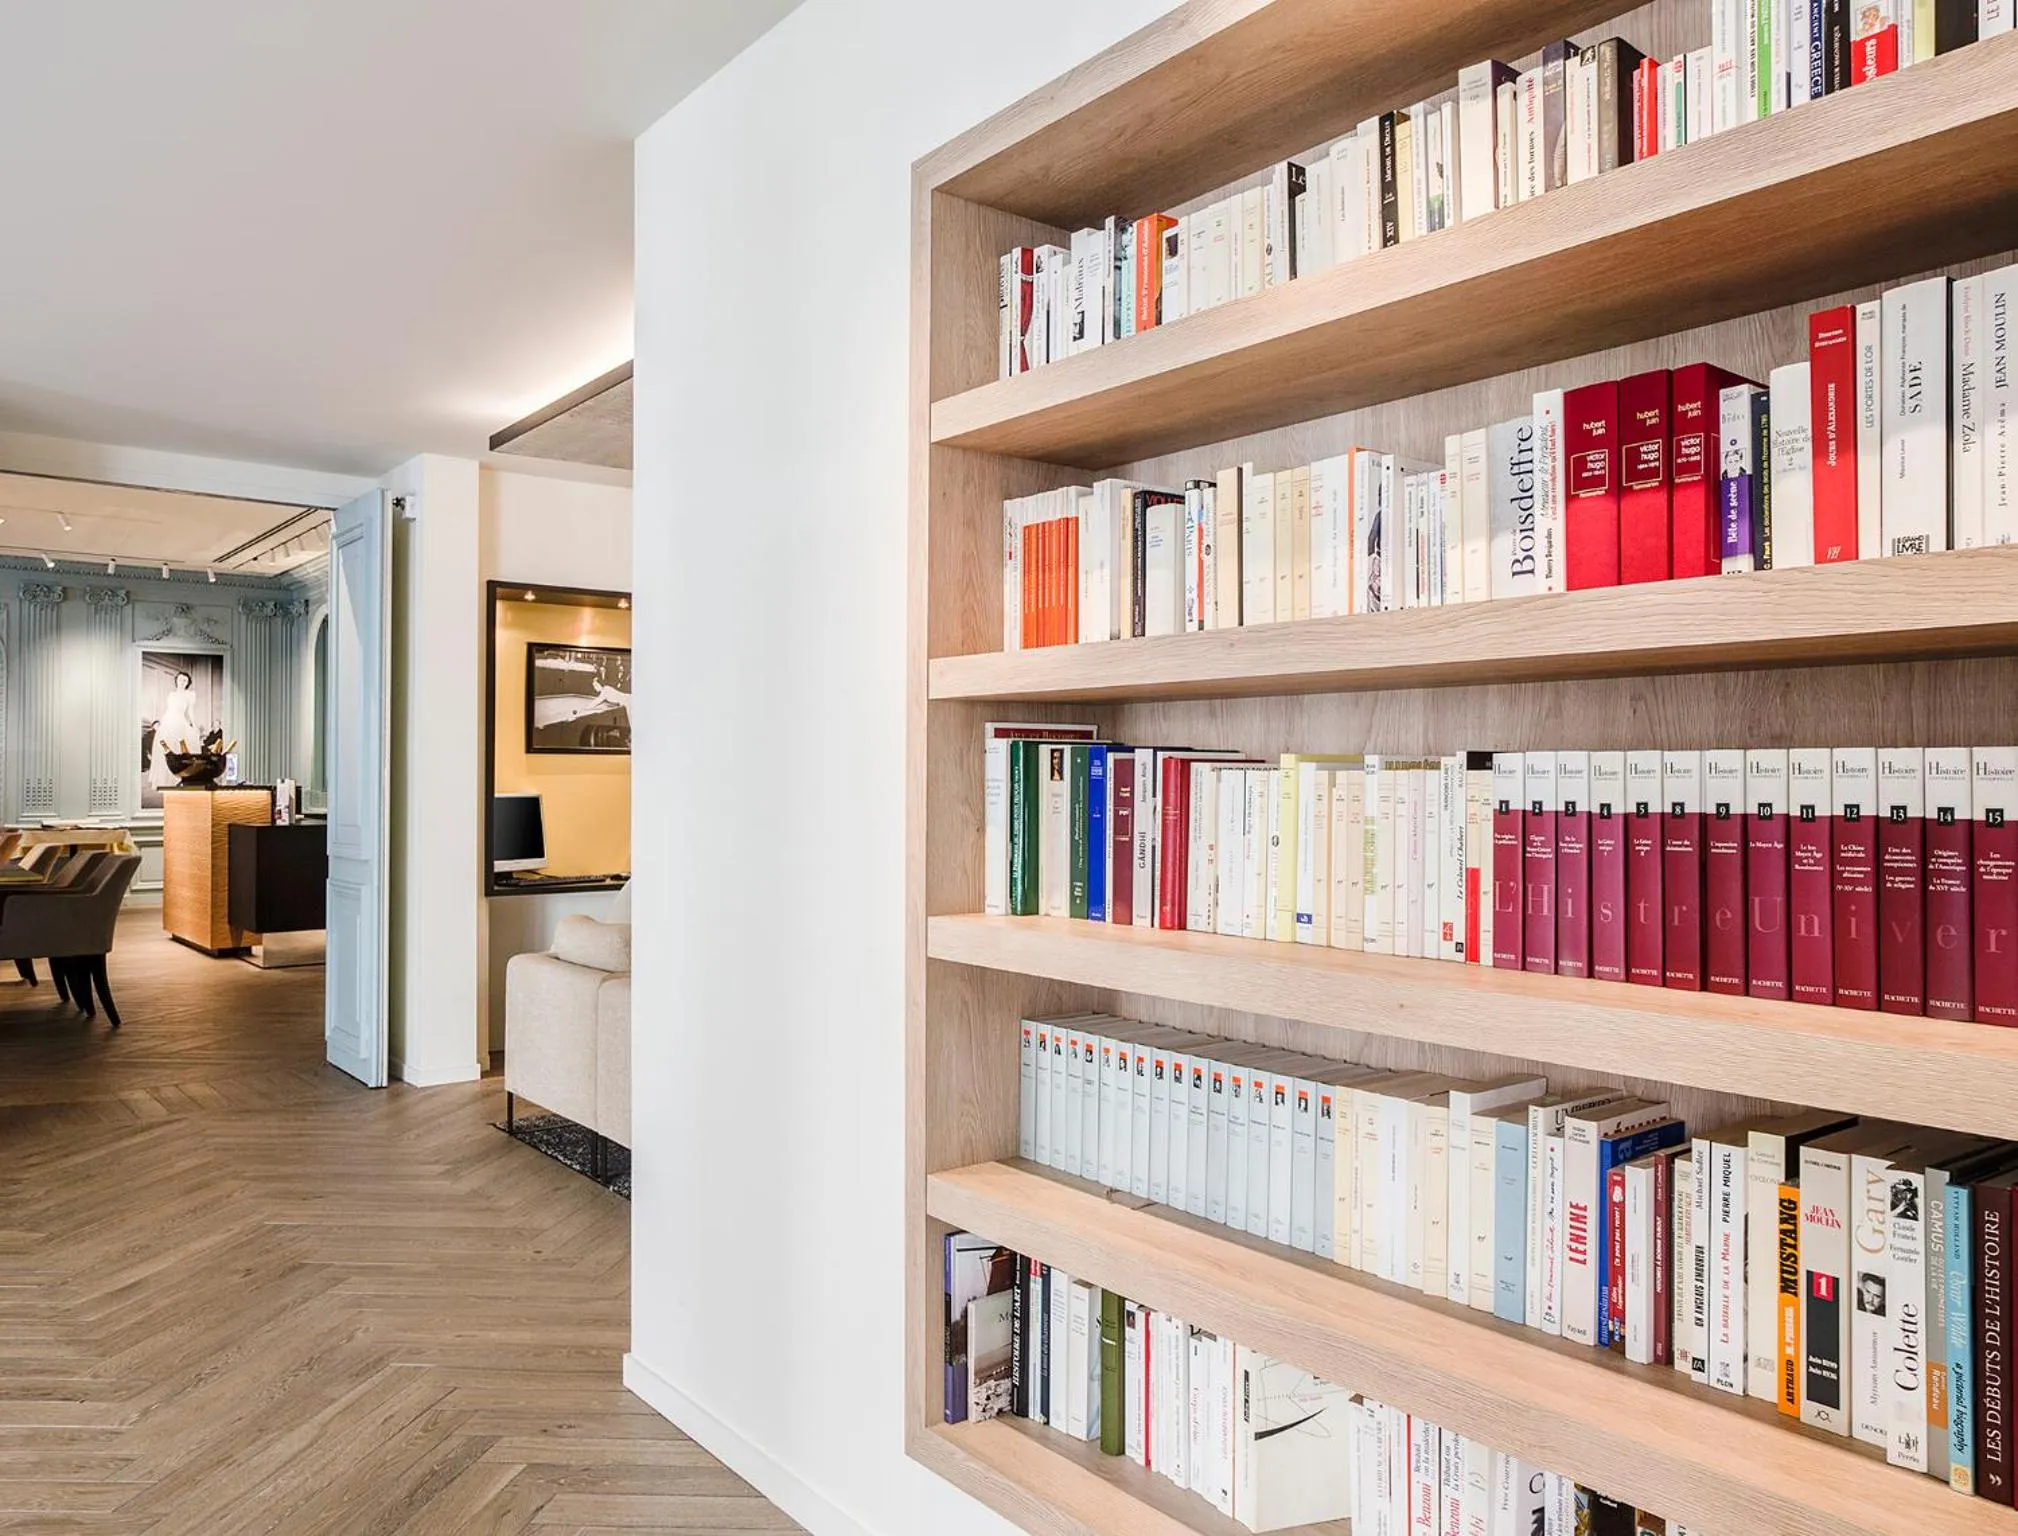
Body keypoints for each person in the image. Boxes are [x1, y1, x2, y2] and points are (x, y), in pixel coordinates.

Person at [148, 670, 200, 788]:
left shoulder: (190, 694)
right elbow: (168, 710)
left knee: (180, 747)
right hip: (168, 720)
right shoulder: (171, 695)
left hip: (180, 721)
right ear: (176, 680)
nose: (182, 682)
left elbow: (190, 712)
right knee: (166, 747)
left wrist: (194, 725)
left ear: (188, 683)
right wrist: (162, 723)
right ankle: (166, 779)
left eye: (185, 680)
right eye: (180, 679)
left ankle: (181, 777)